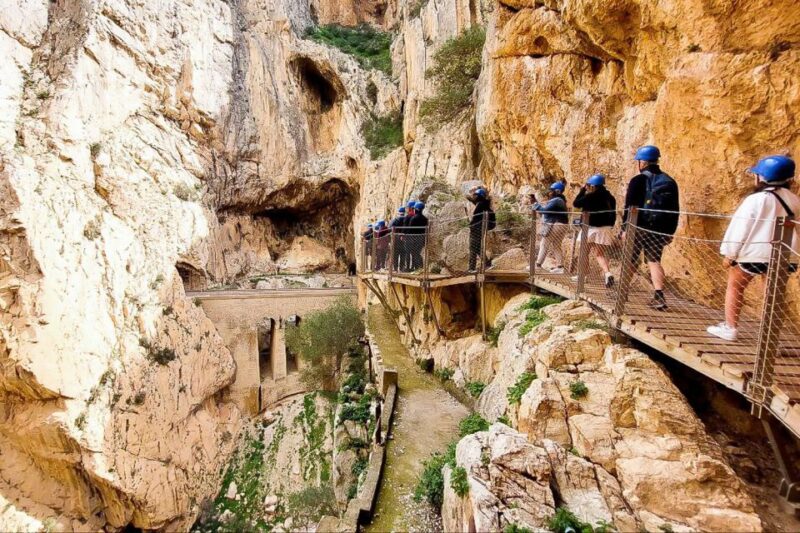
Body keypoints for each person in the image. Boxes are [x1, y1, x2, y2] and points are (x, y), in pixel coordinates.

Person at [707, 155, 800, 341]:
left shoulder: (756, 199)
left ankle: (730, 328)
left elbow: (741, 227)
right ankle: (771, 335)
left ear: (762, 177)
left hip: (754, 253)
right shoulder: (794, 200)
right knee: (772, 295)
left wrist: (730, 254)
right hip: (783, 254)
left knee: (735, 286)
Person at [623, 145, 680, 310]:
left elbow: (630, 206)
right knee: (654, 260)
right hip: (659, 229)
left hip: (637, 227)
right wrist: (670, 232)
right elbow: (674, 210)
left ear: (643, 162)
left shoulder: (638, 180)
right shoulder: (670, 181)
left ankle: (623, 292)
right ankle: (659, 295)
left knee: (631, 260)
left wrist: (624, 229)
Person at [573, 174, 617, 287]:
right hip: (605, 229)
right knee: (600, 254)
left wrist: (583, 190)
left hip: (590, 228)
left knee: (584, 253)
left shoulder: (590, 196)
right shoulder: (610, 198)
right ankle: (608, 274)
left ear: (592, 186)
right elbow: (614, 213)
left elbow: (576, 203)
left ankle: (583, 276)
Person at [532, 182, 569, 273]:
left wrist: (536, 204)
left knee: (544, 244)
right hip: (562, 225)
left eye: (551, 191)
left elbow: (545, 211)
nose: (549, 193)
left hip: (555, 224)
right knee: (556, 245)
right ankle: (560, 267)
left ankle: (538, 266)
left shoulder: (556, 200)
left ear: (557, 191)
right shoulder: (561, 200)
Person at [468, 187, 494, 272]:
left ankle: (472, 268)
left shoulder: (481, 204)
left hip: (477, 228)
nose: (474, 196)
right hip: (479, 228)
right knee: (476, 248)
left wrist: (471, 225)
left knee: (473, 247)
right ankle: (487, 263)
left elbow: (477, 217)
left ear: (479, 196)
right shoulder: (483, 204)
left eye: (476, 195)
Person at [407, 201, 429, 271]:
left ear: (415, 209)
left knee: (414, 253)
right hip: (422, 238)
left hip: (413, 238)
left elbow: (410, 230)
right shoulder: (425, 219)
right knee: (417, 253)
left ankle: (418, 268)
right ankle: (419, 268)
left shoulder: (413, 218)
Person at [390, 206, 406, 271]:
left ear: (398, 212)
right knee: (403, 254)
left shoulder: (395, 220)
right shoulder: (406, 219)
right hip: (404, 239)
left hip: (395, 239)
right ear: (404, 212)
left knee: (395, 254)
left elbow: (389, 227)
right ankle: (402, 267)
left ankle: (395, 268)